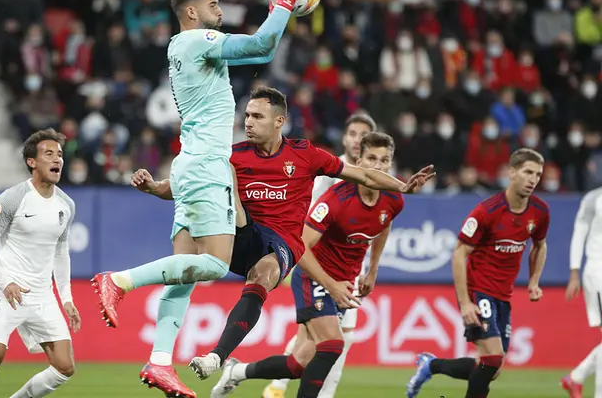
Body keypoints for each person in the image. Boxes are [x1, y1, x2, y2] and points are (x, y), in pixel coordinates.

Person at [90, 0, 315, 396]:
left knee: (185, 278)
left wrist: (276, 10)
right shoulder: (196, 41)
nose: (220, 10)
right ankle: (119, 281)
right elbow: (261, 46)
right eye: (213, 5)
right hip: (209, 165)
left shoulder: (183, 48)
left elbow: (255, 47)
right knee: (213, 265)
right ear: (191, 11)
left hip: (188, 163)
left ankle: (159, 361)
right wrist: (285, 1)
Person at [132, 87, 433, 389]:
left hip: (282, 244)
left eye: (257, 116)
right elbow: (188, 183)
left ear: (279, 121)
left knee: (265, 277)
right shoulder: (235, 154)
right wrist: (155, 187)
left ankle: (217, 357)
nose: (248, 121)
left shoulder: (306, 155)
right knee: (222, 171)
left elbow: (364, 175)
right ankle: (222, 223)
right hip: (244, 235)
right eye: (247, 115)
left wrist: (403, 187)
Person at [210, 132, 403, 398]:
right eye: (372, 159)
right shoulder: (336, 200)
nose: (378, 166)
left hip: (344, 284)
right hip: (316, 277)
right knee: (333, 344)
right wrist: (331, 285)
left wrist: (373, 269)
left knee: (298, 363)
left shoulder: (393, 200)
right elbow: (302, 248)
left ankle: (237, 372)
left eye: (384, 161)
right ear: (360, 161)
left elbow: (383, 225)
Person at [406, 148, 550, 398]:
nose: (533, 179)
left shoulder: (539, 211)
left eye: (537, 174)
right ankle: (432, 365)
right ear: (511, 172)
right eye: (528, 172)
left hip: (503, 295)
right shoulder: (488, 211)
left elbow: (539, 245)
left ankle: (431, 365)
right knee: (493, 359)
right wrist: (464, 303)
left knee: (492, 367)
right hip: (479, 290)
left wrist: (534, 281)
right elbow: (459, 253)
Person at [0, 129, 81, 398]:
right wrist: (5, 283)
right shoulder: (13, 198)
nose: (57, 160)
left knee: (64, 366)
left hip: (42, 295)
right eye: (48, 154)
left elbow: (61, 253)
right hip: (7, 293)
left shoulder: (66, 205)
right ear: (32, 162)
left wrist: (67, 298)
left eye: (59, 155)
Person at [263, 114, 376, 398]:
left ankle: (275, 387)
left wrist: (371, 268)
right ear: (345, 138)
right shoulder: (329, 170)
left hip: (349, 268)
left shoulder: (376, 176)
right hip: (317, 262)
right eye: (352, 133)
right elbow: (308, 220)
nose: (356, 139)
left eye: (363, 134)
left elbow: (378, 226)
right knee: (334, 338)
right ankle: (295, 390)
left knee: (314, 337)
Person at [562, 186, 602, 398]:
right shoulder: (595, 198)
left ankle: (576, 377)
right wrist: (574, 271)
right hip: (598, 271)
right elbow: (579, 232)